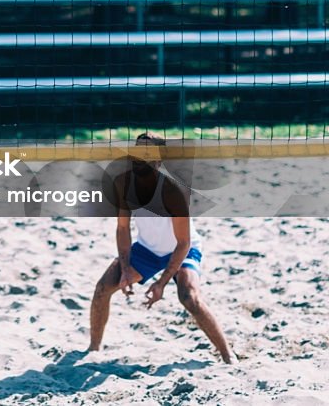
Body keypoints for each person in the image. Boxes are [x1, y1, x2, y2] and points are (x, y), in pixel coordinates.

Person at [87, 132, 236, 364]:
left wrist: (161, 282)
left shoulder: (172, 191)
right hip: (147, 250)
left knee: (189, 298)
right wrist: (126, 269)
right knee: (102, 289)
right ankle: (93, 350)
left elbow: (183, 243)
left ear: (158, 160)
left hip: (181, 249)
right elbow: (122, 229)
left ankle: (228, 355)